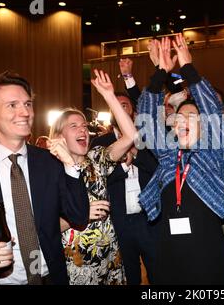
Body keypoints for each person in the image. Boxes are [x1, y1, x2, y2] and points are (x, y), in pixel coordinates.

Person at [0, 71, 89, 285]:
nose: (25, 112)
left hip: (49, 278)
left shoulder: (50, 163)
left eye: (28, 104)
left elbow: (78, 217)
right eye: (12, 105)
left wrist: (70, 166)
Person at [137, 34, 224, 284]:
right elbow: (146, 118)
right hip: (169, 260)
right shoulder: (169, 156)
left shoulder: (213, 154)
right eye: (178, 119)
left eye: (191, 117)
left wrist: (187, 67)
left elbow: (212, 107)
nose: (183, 123)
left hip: (208, 261)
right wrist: (160, 73)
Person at [49, 69, 136, 285]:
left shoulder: (96, 158)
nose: (83, 130)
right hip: (77, 267)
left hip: (110, 258)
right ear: (60, 136)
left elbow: (131, 136)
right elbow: (43, 226)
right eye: (74, 126)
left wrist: (109, 96)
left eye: (85, 126)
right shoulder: (50, 171)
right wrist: (80, 215)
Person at [90, 59, 159, 285]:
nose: (120, 109)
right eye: (116, 106)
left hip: (147, 218)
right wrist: (121, 166)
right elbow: (99, 178)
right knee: (128, 275)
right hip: (119, 219)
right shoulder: (102, 142)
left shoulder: (147, 140)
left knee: (158, 272)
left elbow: (158, 169)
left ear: (133, 110)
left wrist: (136, 156)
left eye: (125, 105)